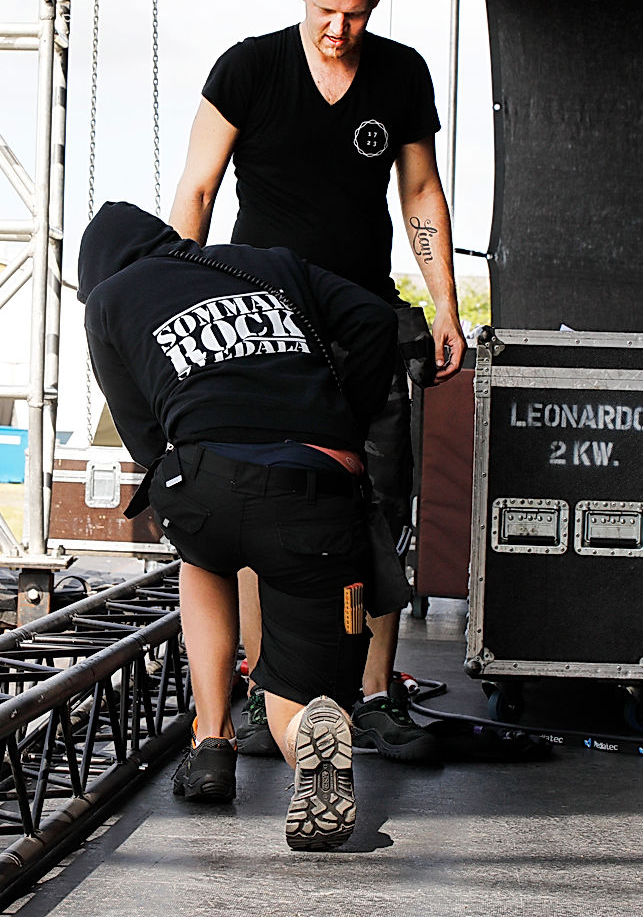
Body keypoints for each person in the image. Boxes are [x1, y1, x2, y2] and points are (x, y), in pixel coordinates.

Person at [169, 0, 466, 763]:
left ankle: (374, 695)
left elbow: (419, 191)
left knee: (378, 502)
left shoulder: (400, 72)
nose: (340, 30)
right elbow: (196, 188)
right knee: (266, 502)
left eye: (357, 14)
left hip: (365, 320)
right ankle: (273, 696)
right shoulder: (247, 68)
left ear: (375, 2)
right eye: (328, 11)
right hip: (263, 325)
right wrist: (188, 304)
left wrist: (443, 307)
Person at [77, 200, 399, 850]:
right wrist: (343, 422)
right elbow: (371, 319)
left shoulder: (110, 300)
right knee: (296, 686)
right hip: (318, 490)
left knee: (202, 547)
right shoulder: (264, 264)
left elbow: (146, 442)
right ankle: (306, 728)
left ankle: (211, 741)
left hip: (204, 488)